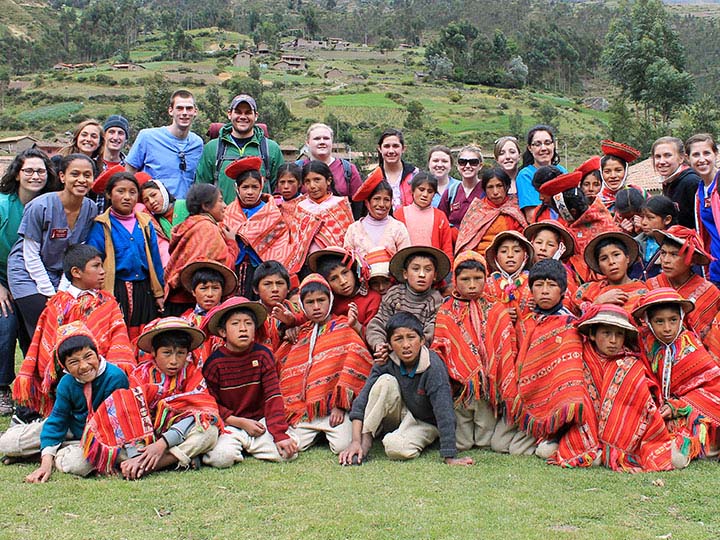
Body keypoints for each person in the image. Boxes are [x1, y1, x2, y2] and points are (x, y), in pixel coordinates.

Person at [12, 244, 135, 417]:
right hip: (66, 376)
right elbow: (48, 347)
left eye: (102, 265)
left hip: (102, 372)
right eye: (96, 266)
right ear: (76, 272)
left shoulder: (108, 303)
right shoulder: (57, 305)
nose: (102, 271)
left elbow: (118, 337)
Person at [92, 317, 221, 479]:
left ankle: (154, 464)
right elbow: (130, 415)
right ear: (153, 352)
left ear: (188, 353)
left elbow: (200, 412)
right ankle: (148, 460)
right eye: (166, 353)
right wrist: (141, 449)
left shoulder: (193, 373)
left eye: (180, 353)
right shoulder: (140, 375)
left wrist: (162, 444)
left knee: (209, 432)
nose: (174, 361)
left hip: (175, 437)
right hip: (145, 438)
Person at [0, 322, 129, 482]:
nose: (84, 366)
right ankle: (49, 454)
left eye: (88, 356)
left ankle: (41, 453)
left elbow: (114, 426)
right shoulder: (67, 383)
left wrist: (106, 458)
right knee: (6, 443)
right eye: (74, 362)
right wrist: (45, 465)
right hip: (70, 428)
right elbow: (58, 420)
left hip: (103, 438)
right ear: (64, 366)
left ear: (97, 353)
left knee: (77, 464)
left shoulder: (115, 377)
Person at [433, 251, 533, 455]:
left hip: (489, 390)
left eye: (477, 279)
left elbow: (506, 346)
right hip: (460, 389)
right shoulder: (446, 310)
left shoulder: (497, 308)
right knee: (462, 443)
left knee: (484, 440)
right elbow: (441, 347)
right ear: (455, 280)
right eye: (465, 279)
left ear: (485, 278)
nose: (472, 285)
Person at [339, 311, 473, 465]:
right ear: (389, 344)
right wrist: (355, 441)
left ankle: (406, 437)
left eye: (411, 337)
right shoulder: (386, 361)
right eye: (398, 339)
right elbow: (363, 400)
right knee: (385, 381)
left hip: (423, 421)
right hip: (400, 413)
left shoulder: (432, 366)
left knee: (395, 448)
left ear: (422, 340)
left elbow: (444, 411)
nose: (406, 345)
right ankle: (365, 443)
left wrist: (450, 456)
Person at [576, 304, 688, 472]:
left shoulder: (632, 366)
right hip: (585, 433)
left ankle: (616, 451)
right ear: (592, 334)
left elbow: (644, 407)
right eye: (606, 333)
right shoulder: (581, 361)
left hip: (633, 440)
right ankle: (594, 448)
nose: (613, 340)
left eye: (619, 334)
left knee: (673, 459)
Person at [275, 274, 373, 454]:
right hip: (303, 410)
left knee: (342, 446)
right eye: (310, 302)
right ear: (303, 306)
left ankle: (326, 429)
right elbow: (284, 367)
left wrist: (339, 404)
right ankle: (315, 432)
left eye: (321, 300)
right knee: (293, 446)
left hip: (335, 411)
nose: (317, 307)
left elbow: (359, 362)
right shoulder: (300, 333)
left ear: (331, 300)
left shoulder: (343, 326)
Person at [515, 259, 599, 467]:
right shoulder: (525, 322)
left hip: (560, 403)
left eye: (551, 285)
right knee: (508, 446)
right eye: (539, 285)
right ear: (531, 290)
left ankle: (561, 434)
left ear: (563, 290)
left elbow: (571, 370)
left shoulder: (570, 324)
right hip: (529, 402)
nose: (545, 291)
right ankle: (543, 433)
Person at [7, 153, 98, 343]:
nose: (81, 180)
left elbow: (75, 252)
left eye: (87, 175)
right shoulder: (40, 206)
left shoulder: (90, 208)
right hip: (26, 272)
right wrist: (50, 293)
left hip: (59, 272)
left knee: (68, 322)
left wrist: (65, 288)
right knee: (48, 324)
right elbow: (30, 253)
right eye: (75, 174)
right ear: (62, 177)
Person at [201, 297, 299, 466]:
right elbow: (211, 403)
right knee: (221, 458)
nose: (243, 329)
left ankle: (248, 446)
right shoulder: (214, 363)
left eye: (248, 323)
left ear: (255, 329)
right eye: (235, 324)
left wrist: (280, 434)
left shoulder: (263, 355)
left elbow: (273, 396)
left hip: (259, 422)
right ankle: (239, 445)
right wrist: (238, 422)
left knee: (287, 454)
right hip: (231, 423)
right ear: (223, 332)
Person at [0, 149, 58, 414]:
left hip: (35, 277)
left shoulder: (51, 203)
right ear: (17, 173)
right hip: (2, 279)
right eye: (29, 171)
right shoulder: (3, 204)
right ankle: (2, 389)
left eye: (41, 171)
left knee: (34, 333)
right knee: (6, 327)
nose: (35, 176)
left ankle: (36, 390)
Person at [632, 288, 720, 461]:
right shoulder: (643, 342)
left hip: (686, 413)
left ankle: (686, 446)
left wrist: (678, 406)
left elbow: (714, 388)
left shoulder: (690, 346)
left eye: (673, 320)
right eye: (659, 322)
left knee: (697, 433)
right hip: (655, 410)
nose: (667, 328)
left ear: (681, 319)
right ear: (648, 322)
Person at [86, 172, 165, 339]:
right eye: (120, 191)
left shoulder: (145, 223)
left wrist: (159, 293)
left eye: (132, 192)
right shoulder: (102, 225)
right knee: (118, 334)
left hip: (143, 290)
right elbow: (94, 259)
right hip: (115, 288)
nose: (127, 197)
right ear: (109, 194)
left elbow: (155, 260)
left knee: (143, 335)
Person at [223, 157, 311, 287]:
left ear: (261, 187)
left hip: (263, 271)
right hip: (235, 268)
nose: (250, 192)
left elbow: (279, 243)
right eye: (245, 187)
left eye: (254, 187)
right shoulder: (228, 212)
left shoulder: (272, 211)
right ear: (237, 188)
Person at [162, 183, 238, 316]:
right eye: (220, 200)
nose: (225, 206)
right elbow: (225, 266)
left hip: (177, 301)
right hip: (193, 304)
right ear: (205, 206)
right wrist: (231, 243)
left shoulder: (187, 225)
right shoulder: (207, 229)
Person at [195, 94, 284, 202]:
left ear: (256, 116)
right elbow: (201, 189)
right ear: (229, 114)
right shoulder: (212, 148)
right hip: (223, 217)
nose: (242, 116)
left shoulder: (271, 149)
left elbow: (281, 190)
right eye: (238, 112)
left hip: (262, 217)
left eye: (248, 113)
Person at [365, 246, 450, 358]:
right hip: (391, 350)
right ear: (405, 273)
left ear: (434, 276)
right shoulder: (394, 294)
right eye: (415, 269)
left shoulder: (436, 301)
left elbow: (431, 333)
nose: (422, 275)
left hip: (421, 354)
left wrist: (411, 349)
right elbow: (378, 323)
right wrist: (379, 344)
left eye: (428, 270)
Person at [647, 226, 720, 344]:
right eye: (663, 253)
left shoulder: (710, 293)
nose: (665, 260)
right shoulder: (650, 286)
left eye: (674, 254)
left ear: (691, 259)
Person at [126, 89, 203, 199]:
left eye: (189, 108)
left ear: (195, 111)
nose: (185, 113)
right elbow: (129, 173)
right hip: (153, 211)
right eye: (179, 108)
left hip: (185, 210)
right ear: (171, 111)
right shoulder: (147, 137)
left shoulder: (197, 144)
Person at [308, 246, 381, 335]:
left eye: (345, 273)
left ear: (354, 271)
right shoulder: (328, 302)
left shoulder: (372, 299)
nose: (343, 282)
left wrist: (356, 325)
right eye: (334, 278)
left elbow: (374, 336)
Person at [455, 167, 527, 256]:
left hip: (510, 259)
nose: (495, 192)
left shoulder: (516, 207)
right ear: (484, 189)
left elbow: (523, 241)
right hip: (480, 261)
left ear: (507, 187)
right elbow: (466, 243)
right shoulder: (477, 210)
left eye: (499, 186)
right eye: (490, 187)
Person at [178, 260, 238, 366]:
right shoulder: (184, 321)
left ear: (222, 291)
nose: (209, 294)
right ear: (193, 291)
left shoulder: (232, 318)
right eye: (203, 288)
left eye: (215, 288)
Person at [574, 232, 646, 315]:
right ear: (599, 265)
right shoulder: (586, 290)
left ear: (627, 258)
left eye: (616, 255)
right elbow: (574, 322)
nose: (611, 262)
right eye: (604, 259)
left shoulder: (644, 293)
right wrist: (598, 302)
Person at [301, 123, 363, 218]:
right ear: (307, 142)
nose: (322, 142)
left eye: (326, 138)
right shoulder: (298, 169)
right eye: (317, 139)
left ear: (332, 141)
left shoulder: (348, 169)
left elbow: (359, 202)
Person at [294, 160, 354, 255]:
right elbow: (297, 242)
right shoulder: (301, 207)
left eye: (317, 180)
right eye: (307, 181)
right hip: (307, 264)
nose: (312, 186)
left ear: (328, 180)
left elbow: (349, 239)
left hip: (337, 261)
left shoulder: (341, 204)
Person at [395, 172, 454, 264]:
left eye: (430, 191)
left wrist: (448, 271)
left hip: (432, 267)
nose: (425, 194)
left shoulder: (440, 217)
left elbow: (447, 247)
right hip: (405, 266)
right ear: (413, 190)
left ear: (434, 194)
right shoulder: (399, 214)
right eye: (421, 189)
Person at [346, 174, 411, 257]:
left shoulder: (398, 228)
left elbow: (405, 259)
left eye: (386, 200)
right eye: (376, 199)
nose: (381, 204)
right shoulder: (353, 229)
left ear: (391, 202)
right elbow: (347, 261)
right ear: (367, 202)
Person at [687, 133, 720, 287]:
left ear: (716, 154)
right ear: (688, 159)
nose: (702, 159)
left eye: (706, 153)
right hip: (715, 267)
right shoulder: (700, 191)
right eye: (696, 155)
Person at [516, 124, 567, 222]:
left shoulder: (563, 171)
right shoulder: (525, 176)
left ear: (553, 145)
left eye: (547, 143)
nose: (543, 148)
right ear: (530, 148)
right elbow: (532, 216)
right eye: (538, 144)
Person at [482, 230, 535, 324]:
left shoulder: (534, 283)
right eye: (503, 251)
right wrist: (498, 314)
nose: (510, 255)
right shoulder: (486, 285)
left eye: (517, 251)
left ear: (525, 256)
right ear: (496, 257)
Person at [252, 260, 301, 353]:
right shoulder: (250, 314)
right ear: (256, 289)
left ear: (288, 289)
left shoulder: (299, 312)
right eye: (267, 284)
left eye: (280, 283)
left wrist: (293, 324)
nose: (275, 289)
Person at [363, 129, 419, 211]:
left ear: (403, 148)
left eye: (395, 146)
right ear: (380, 149)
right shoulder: (371, 179)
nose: (391, 151)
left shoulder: (415, 175)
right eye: (386, 146)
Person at [652, 136, 700, 230]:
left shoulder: (692, 182)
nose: (662, 162)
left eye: (668, 155)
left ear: (681, 158)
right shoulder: (669, 182)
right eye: (658, 157)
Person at [437, 145, 485, 228]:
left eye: (473, 162)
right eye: (462, 162)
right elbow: (440, 221)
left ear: (480, 166)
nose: (467, 166)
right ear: (457, 165)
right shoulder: (451, 192)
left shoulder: (487, 190)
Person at [633, 195, 678, 280]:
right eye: (642, 217)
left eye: (650, 218)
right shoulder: (635, 245)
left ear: (667, 219)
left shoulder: (678, 246)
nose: (643, 223)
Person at [597, 140, 644, 213]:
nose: (613, 176)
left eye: (618, 170)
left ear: (625, 171)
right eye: (607, 172)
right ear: (601, 173)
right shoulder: (595, 201)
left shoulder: (639, 193)